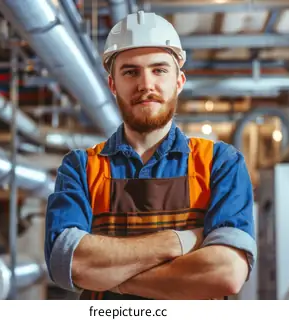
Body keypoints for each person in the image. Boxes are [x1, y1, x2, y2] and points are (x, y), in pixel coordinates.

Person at [44, 10, 256, 300]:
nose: (146, 84)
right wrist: (180, 241)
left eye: (159, 70)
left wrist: (113, 279)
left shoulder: (219, 163)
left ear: (178, 82)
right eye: (131, 72)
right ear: (113, 84)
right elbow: (69, 265)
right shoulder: (81, 167)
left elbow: (225, 273)